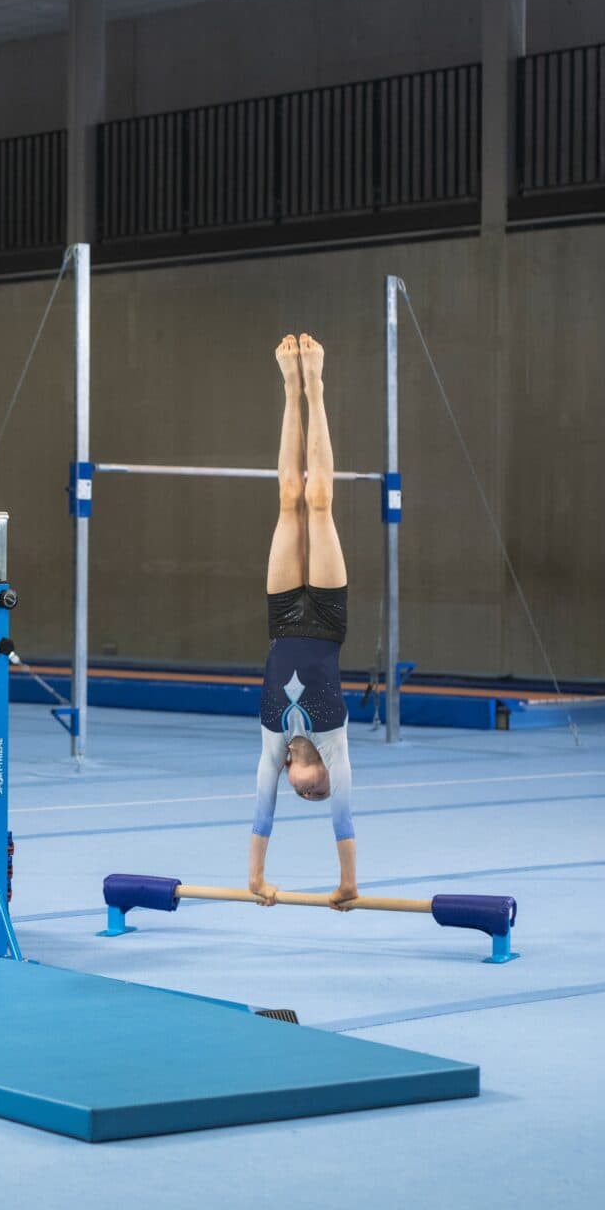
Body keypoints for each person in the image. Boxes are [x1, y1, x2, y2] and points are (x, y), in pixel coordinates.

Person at [249, 333, 358, 905]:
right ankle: (315, 385)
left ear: (290, 767)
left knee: (289, 494)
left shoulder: (275, 740)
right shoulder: (334, 740)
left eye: (302, 791)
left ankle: (290, 389)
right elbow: (345, 818)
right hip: (328, 619)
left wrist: (255, 877)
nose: (312, 793)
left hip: (284, 619)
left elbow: (261, 808)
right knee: (319, 501)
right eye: (320, 792)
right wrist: (348, 882)